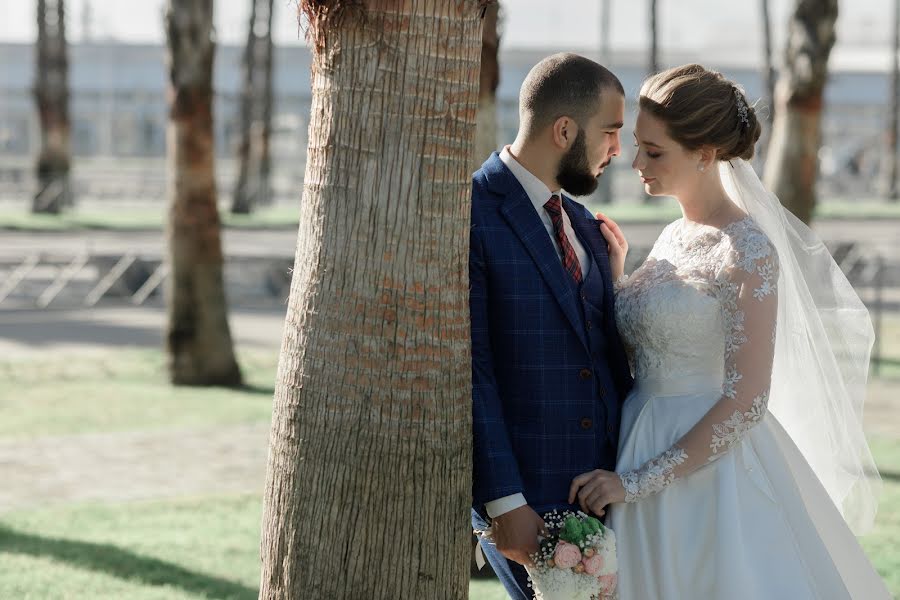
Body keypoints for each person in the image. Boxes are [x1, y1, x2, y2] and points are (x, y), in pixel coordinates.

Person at [571, 64, 889, 599]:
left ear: (705, 153)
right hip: (636, 437)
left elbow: (746, 401)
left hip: (706, 472)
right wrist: (619, 275)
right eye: (637, 146)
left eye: (654, 151)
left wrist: (637, 482)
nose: (636, 162)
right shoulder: (674, 235)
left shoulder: (748, 250)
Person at [469, 53, 633, 599]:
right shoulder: (472, 212)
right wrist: (504, 503)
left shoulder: (587, 227)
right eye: (610, 132)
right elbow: (474, 369)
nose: (617, 150)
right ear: (565, 130)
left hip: (607, 497)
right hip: (527, 506)